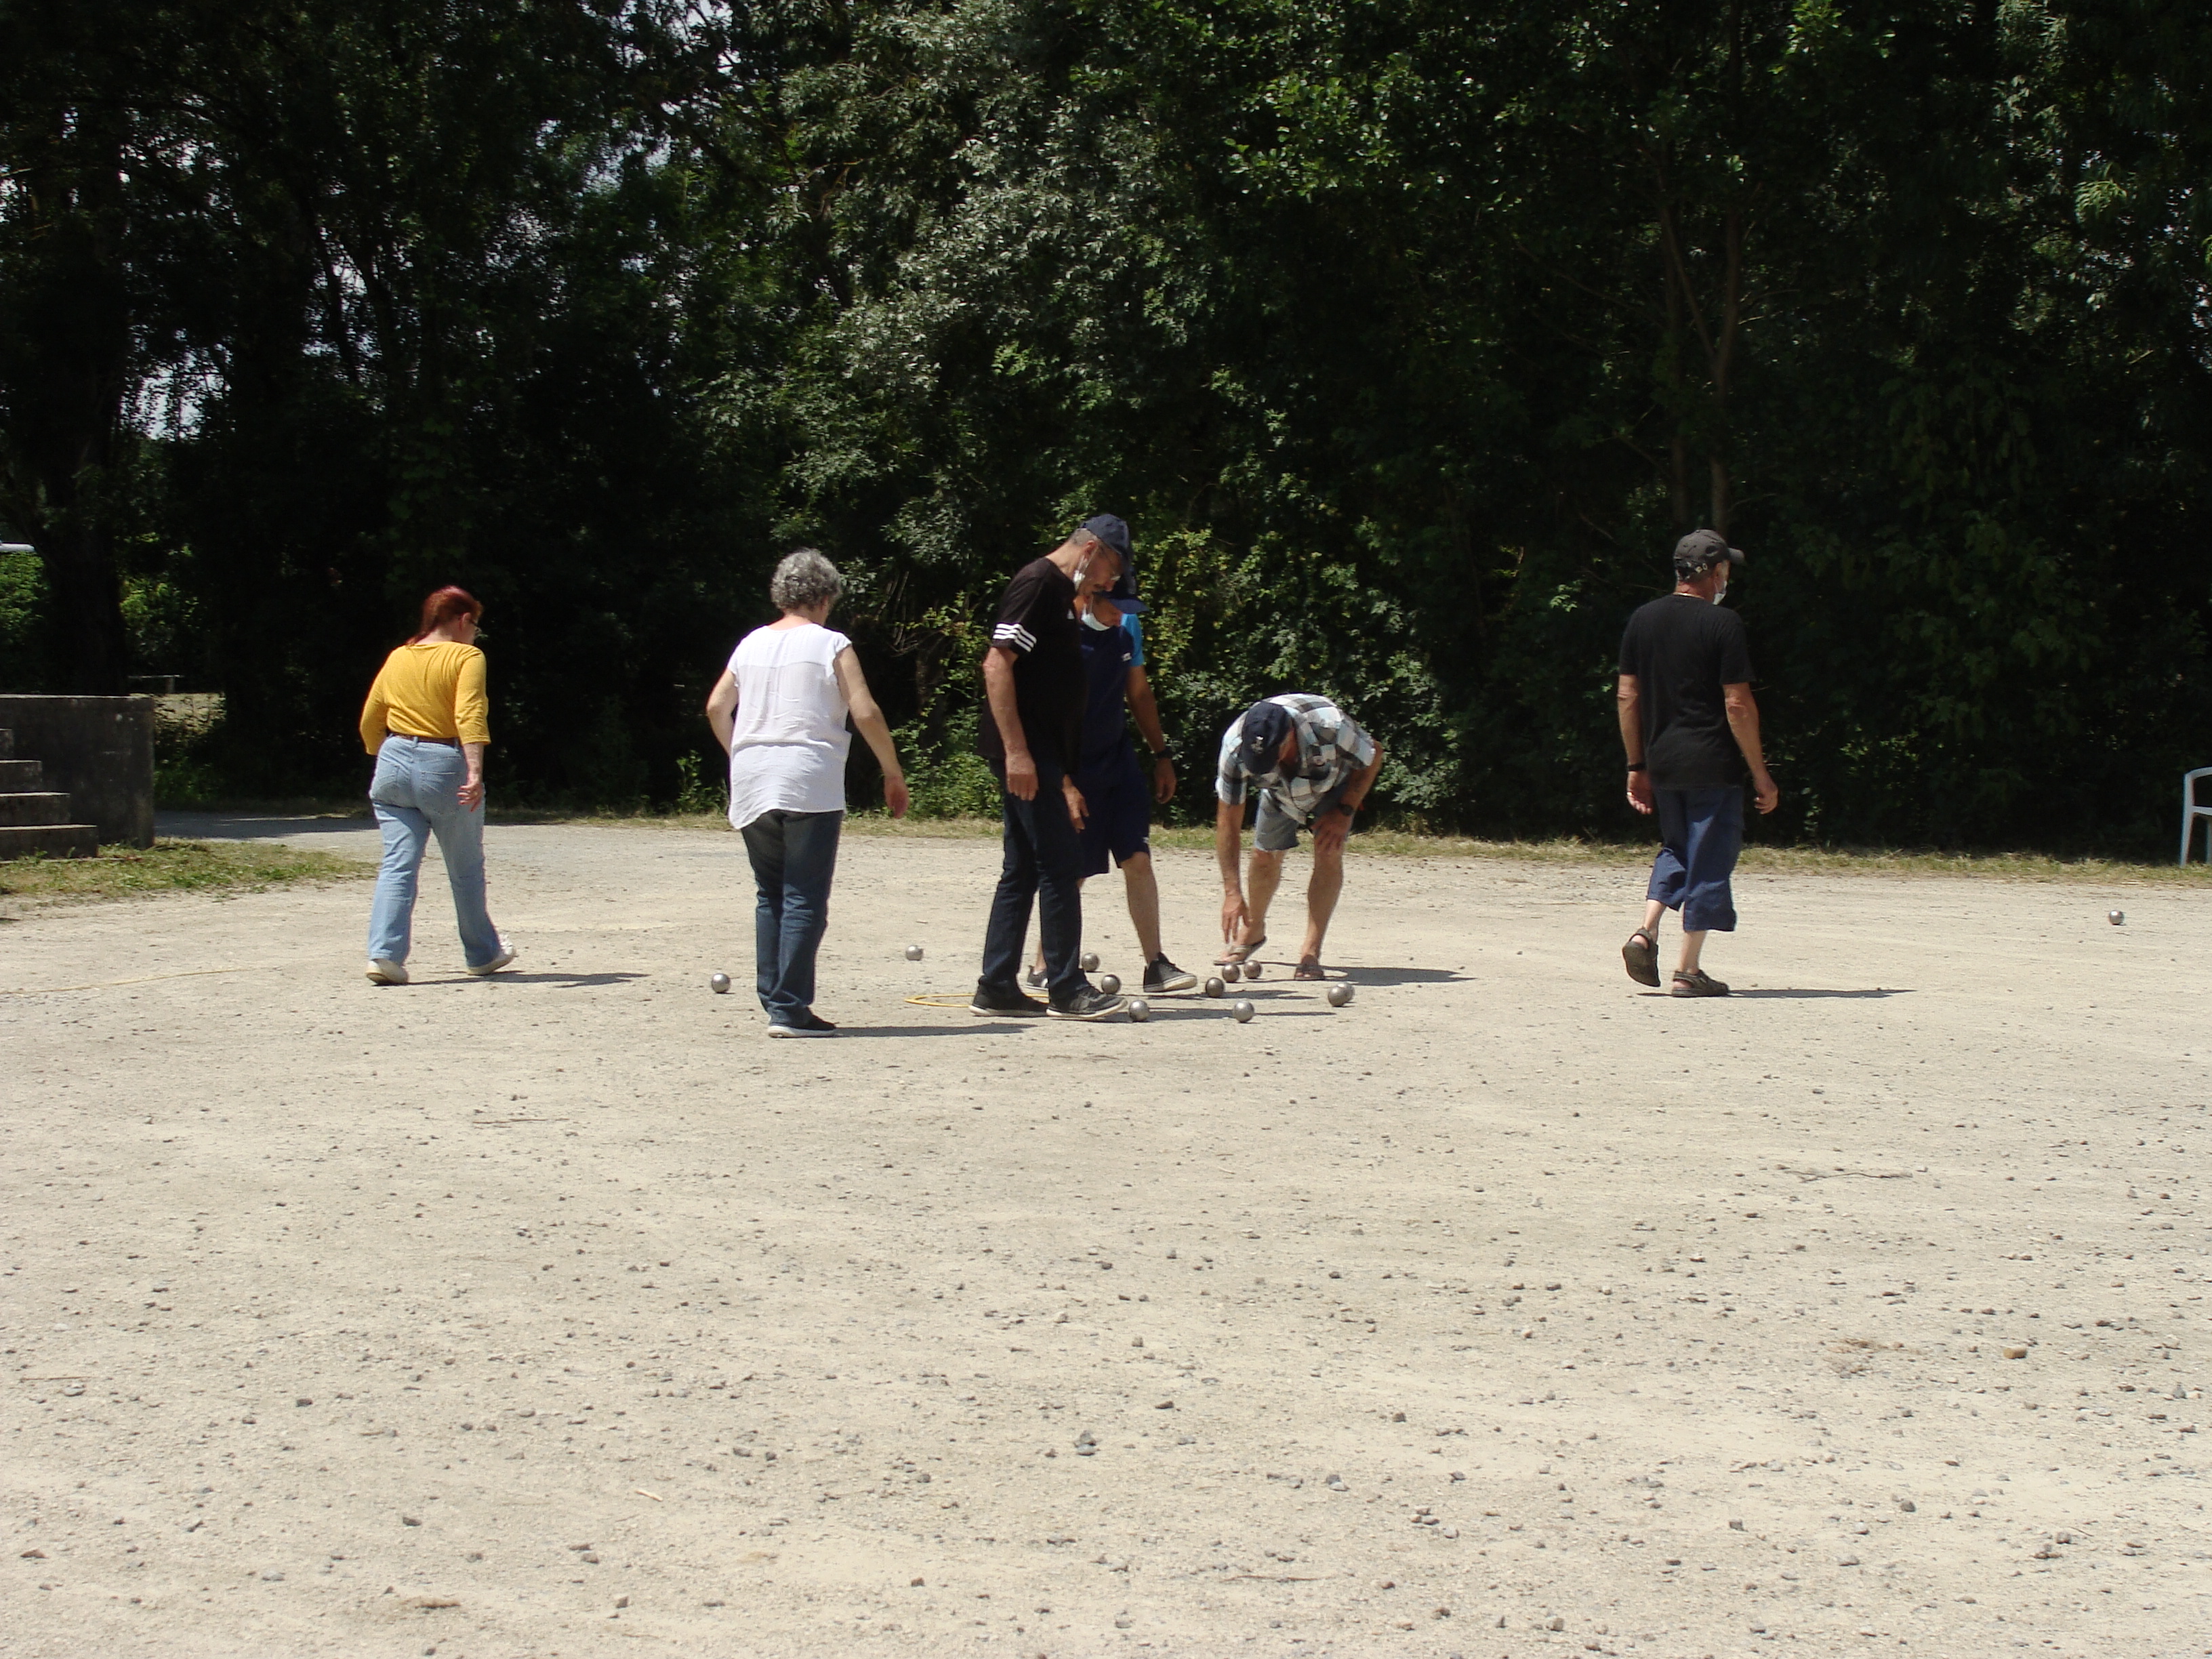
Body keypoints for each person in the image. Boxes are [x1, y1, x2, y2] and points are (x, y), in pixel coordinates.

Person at [705, 548, 909, 1037]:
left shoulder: (750, 643)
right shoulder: (831, 643)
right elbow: (864, 711)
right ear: (822, 597)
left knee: (770, 893)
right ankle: (790, 1009)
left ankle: (776, 999)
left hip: (752, 778)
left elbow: (716, 706)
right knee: (804, 896)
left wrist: (743, 755)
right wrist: (892, 770)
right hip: (807, 778)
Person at [970, 516, 1131, 1021]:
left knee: (1021, 870)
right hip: (1026, 752)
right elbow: (997, 665)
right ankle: (1066, 988)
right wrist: (1018, 753)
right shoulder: (1039, 583)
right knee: (1062, 865)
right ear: (1091, 550)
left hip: (1041, 753)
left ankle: (996, 985)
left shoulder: (1061, 595)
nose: (1110, 583)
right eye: (1111, 569)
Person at [1615, 528, 1780, 997]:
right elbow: (1738, 705)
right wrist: (1760, 773)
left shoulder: (1642, 621)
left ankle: (1645, 930)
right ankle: (1689, 970)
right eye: (1726, 566)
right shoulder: (1722, 624)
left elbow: (1628, 695)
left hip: (1663, 760)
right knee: (1709, 857)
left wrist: (1636, 764)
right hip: (1712, 763)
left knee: (1676, 849)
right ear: (1714, 572)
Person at [1023, 556, 1200, 996]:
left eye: (1129, 606)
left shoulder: (1124, 632)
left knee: (1138, 859)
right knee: (1074, 870)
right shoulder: (1064, 638)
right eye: (1116, 604)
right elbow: (1045, 713)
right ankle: (1043, 964)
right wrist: (1063, 781)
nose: (1123, 613)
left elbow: (1137, 692)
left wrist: (1161, 754)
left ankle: (1156, 964)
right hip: (1077, 767)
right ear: (1090, 596)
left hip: (1118, 761)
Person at [357, 585, 514, 985]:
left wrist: (389, 754)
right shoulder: (467, 656)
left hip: (391, 763)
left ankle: (384, 957)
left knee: (397, 865)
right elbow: (470, 714)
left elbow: (370, 720)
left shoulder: (398, 657)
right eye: (475, 625)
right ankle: (482, 953)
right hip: (443, 765)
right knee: (465, 868)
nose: (476, 633)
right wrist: (475, 771)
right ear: (463, 620)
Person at [1214, 693, 1385, 981]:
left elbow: (1374, 754)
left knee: (1328, 851)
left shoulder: (1329, 723)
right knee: (1263, 855)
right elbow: (1228, 822)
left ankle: (1311, 951)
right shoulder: (1234, 747)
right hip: (1280, 794)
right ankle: (1254, 930)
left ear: (1289, 736)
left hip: (1334, 786)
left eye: (1270, 757)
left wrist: (1345, 810)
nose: (1264, 763)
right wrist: (1232, 892)